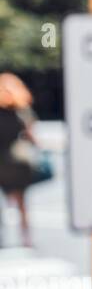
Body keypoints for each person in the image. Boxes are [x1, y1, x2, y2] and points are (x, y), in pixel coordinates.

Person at [0, 73, 41, 249]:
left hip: (2, 161)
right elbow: (32, 136)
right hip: (18, 162)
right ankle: (26, 238)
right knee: (22, 203)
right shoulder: (22, 111)